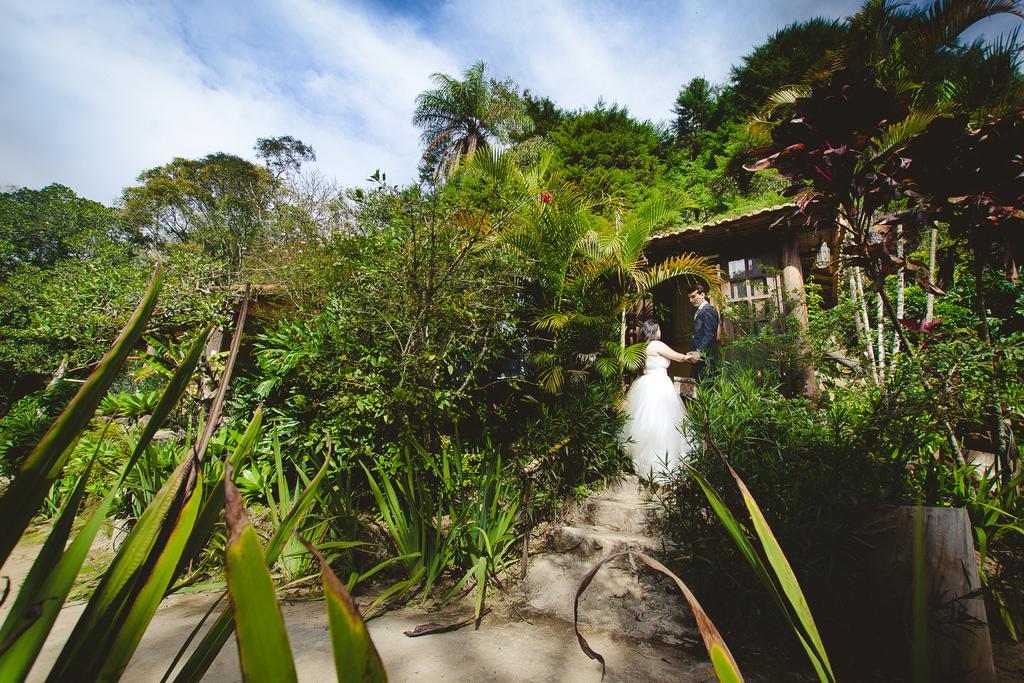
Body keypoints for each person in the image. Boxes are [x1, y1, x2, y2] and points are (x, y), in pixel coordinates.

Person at [620, 319, 695, 479]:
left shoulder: (641, 348)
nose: (661, 331)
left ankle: (643, 461)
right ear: (654, 330)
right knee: (664, 421)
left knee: (645, 421)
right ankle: (662, 464)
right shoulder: (657, 345)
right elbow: (679, 357)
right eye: (659, 328)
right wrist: (692, 356)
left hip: (645, 384)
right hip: (659, 384)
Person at [688, 283, 719, 383]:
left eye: (693, 296)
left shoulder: (708, 311)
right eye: (689, 298)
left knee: (705, 387)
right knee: (698, 388)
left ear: (702, 295)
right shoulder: (700, 311)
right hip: (699, 358)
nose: (691, 300)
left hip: (706, 358)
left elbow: (710, 335)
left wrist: (699, 352)